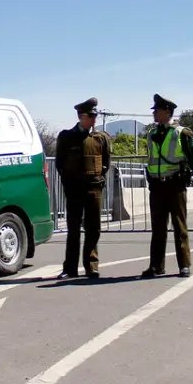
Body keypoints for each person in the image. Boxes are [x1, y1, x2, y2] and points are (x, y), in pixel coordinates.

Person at [140, 93, 193, 278]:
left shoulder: (182, 132)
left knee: (179, 225)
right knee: (158, 228)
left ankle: (184, 265)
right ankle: (156, 266)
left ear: (167, 112)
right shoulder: (152, 133)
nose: (154, 114)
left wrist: (187, 174)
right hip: (157, 186)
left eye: (156, 111)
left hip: (175, 184)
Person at [54, 97, 111, 279]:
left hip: (94, 189)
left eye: (95, 116)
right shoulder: (66, 137)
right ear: (81, 116)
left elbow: (106, 164)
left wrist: (98, 180)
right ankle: (70, 268)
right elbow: (59, 164)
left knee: (94, 228)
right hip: (74, 189)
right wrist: (68, 184)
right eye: (91, 116)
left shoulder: (101, 139)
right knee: (73, 229)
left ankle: (91, 266)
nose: (94, 120)